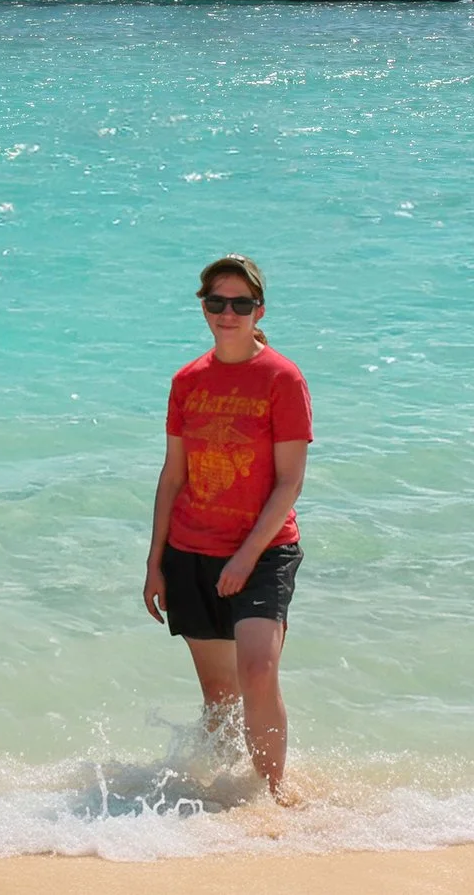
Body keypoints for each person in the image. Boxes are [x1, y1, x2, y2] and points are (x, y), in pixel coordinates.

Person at [143, 254, 312, 802]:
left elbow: (288, 482)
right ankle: (220, 797)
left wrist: (244, 558)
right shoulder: (187, 381)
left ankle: (273, 799)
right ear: (204, 307)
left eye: (240, 303)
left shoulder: (282, 379)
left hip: (263, 552)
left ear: (259, 309)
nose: (228, 313)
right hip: (190, 550)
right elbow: (173, 476)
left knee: (258, 671)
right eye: (217, 302)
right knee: (219, 693)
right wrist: (154, 563)